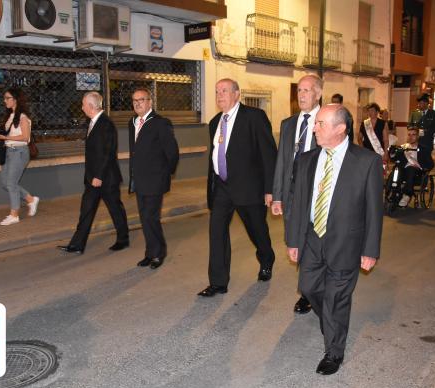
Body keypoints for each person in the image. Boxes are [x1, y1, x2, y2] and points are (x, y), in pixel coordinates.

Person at [286, 104, 383, 375]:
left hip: (346, 243)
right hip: (312, 239)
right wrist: (293, 241)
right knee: (308, 287)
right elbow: (299, 204)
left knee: (336, 298)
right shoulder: (306, 160)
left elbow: (375, 210)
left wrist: (370, 249)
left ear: (340, 129)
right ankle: (330, 319)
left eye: (321, 124)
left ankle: (334, 352)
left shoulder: (366, 162)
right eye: (316, 123)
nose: (314, 129)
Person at [198, 78, 277, 297]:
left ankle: (266, 257)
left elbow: (269, 155)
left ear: (237, 94)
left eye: (224, 91)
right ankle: (218, 282)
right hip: (222, 187)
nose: (219, 95)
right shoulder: (215, 122)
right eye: (216, 92)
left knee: (257, 231)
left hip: (249, 188)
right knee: (217, 233)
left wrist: (270, 189)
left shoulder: (254, 117)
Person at [272, 74, 322, 315]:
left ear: (318, 93)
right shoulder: (288, 124)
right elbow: (281, 161)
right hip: (292, 195)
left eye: (307, 90)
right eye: (299, 91)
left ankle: (310, 291)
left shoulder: (329, 120)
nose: (301, 95)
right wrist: (277, 195)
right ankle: (308, 290)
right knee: (296, 242)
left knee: (316, 242)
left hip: (318, 194)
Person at [58, 91, 129, 254]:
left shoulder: (106, 124)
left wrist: (99, 176)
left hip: (105, 178)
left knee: (115, 209)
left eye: (83, 105)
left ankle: (123, 239)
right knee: (86, 210)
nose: (82, 108)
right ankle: (77, 244)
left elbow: (107, 153)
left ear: (90, 106)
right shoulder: (92, 122)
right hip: (92, 179)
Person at [128, 88, 179, 269]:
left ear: (150, 102)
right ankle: (150, 253)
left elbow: (172, 152)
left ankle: (159, 253)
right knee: (145, 218)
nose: (137, 103)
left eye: (141, 99)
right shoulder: (133, 122)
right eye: (134, 100)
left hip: (155, 180)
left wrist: (165, 174)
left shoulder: (161, 123)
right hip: (139, 179)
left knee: (151, 217)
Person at [0, 87, 39, 225]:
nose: (5, 100)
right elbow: (11, 135)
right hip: (9, 152)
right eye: (5, 98)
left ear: (16, 99)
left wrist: (6, 137)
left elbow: (25, 137)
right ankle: (30, 199)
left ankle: (14, 214)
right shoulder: (11, 116)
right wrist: (1, 136)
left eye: (8, 98)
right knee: (4, 182)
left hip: (19, 153)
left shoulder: (23, 117)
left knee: (11, 183)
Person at [408, 93, 435, 170]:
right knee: (416, 160)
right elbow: (409, 126)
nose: (419, 104)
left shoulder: (434, 114)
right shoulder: (415, 113)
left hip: (427, 142)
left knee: (425, 162)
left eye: (421, 103)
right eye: (418, 103)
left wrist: (424, 132)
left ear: (426, 103)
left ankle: (424, 177)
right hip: (416, 142)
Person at [397, 126, 423, 207]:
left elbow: (429, 163)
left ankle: (407, 195)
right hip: (403, 170)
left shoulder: (422, 148)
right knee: (396, 168)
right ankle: (391, 192)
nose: (411, 137)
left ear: (418, 136)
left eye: (413, 135)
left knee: (411, 169)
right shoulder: (404, 146)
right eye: (409, 135)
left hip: (415, 172)